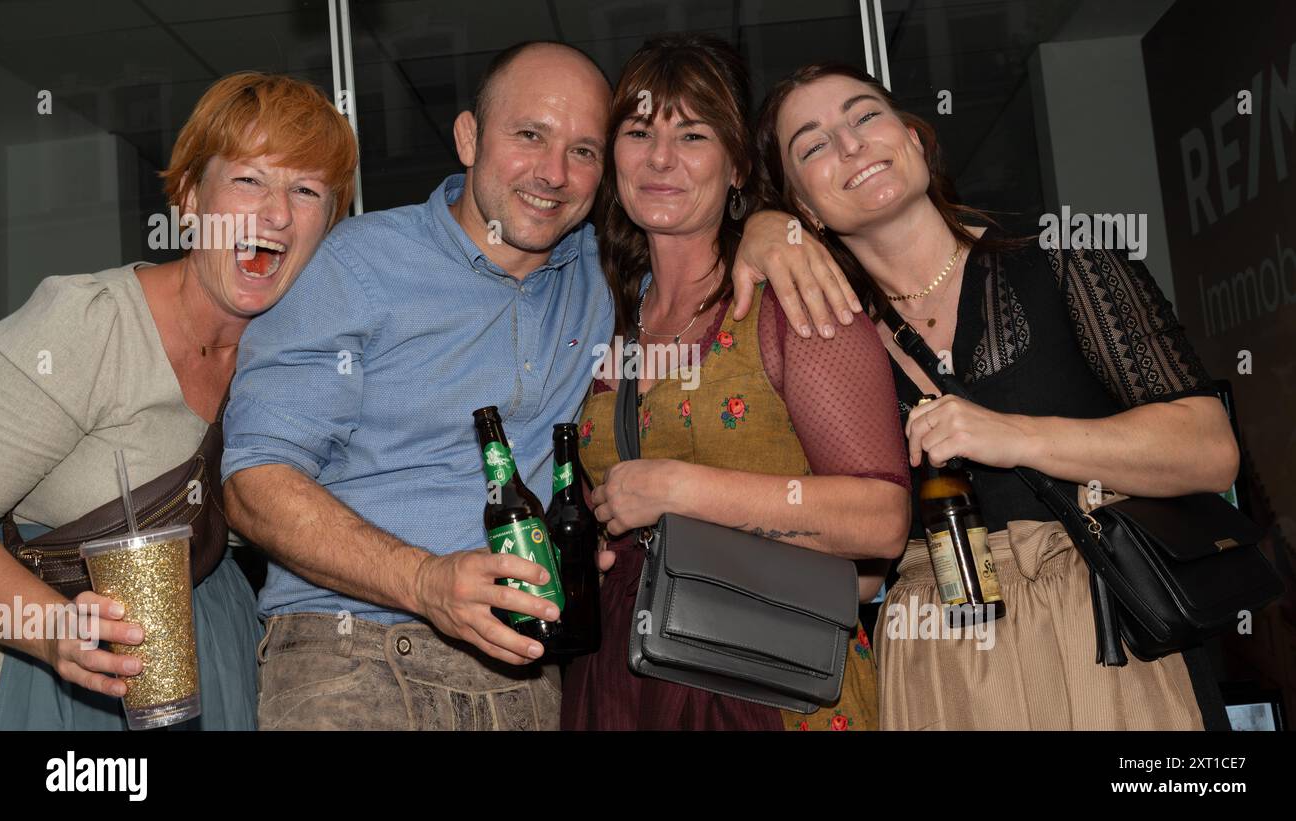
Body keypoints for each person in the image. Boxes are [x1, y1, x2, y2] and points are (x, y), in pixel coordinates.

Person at [221, 40, 860, 731]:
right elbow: (253, 482)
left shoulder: (604, 281)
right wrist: (423, 581)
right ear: (469, 137)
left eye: (583, 151)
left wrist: (768, 227)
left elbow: (700, 244)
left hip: (530, 674)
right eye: (530, 136)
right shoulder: (357, 264)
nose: (553, 173)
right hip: (356, 656)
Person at [757, 62, 1241, 730]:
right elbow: (864, 576)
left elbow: (1211, 448)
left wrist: (1013, 434)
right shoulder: (830, 348)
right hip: (942, 659)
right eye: (811, 145)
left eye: (865, 115)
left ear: (915, 140)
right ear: (803, 208)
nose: (850, 145)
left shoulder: (1068, 255)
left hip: (1105, 634)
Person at [560, 34, 911, 732]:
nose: (661, 160)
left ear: (738, 165)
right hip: (625, 680)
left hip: (770, 684)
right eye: (638, 132)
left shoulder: (792, 296)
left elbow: (882, 519)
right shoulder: (603, 313)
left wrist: (679, 494)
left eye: (692, 134)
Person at [0, 71, 357, 730]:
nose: (276, 213)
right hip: (72, 678)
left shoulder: (288, 363)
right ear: (189, 199)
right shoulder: (90, 324)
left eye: (306, 191)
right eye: (249, 178)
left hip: (220, 649)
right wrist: (53, 631)